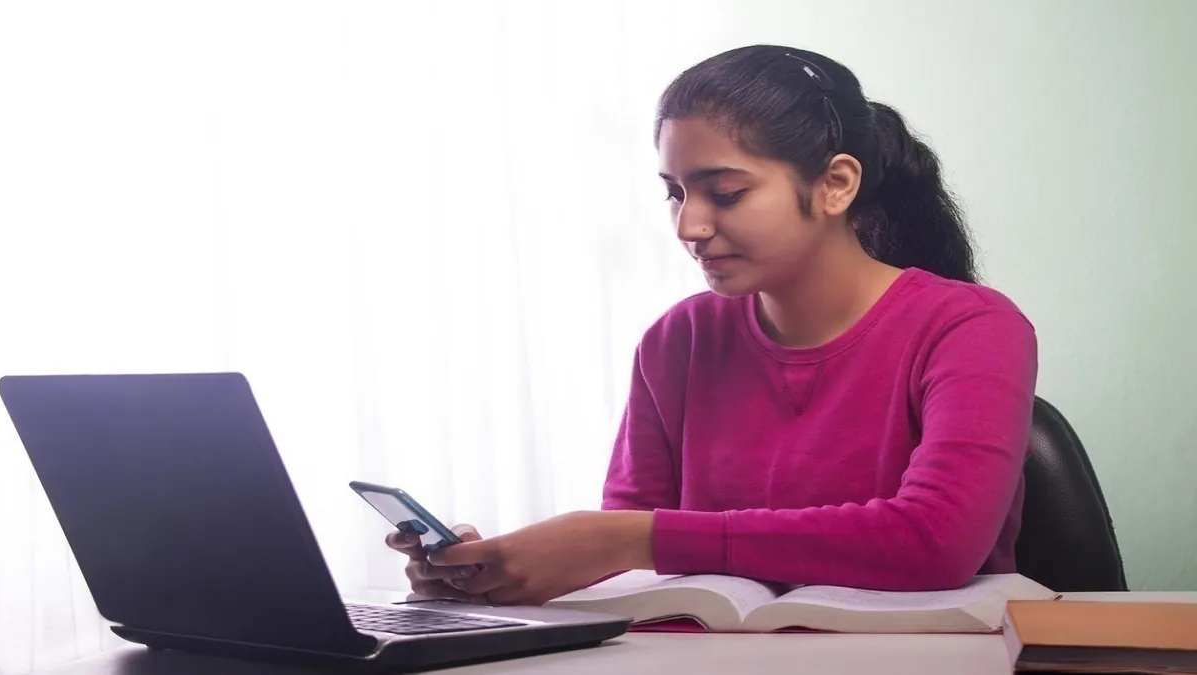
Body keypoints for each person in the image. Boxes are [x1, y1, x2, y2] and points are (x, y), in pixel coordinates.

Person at [387, 45, 1037, 605]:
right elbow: (626, 555)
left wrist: (627, 538)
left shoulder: (971, 328)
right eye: (674, 191)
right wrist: (497, 568)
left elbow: (936, 540)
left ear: (836, 185)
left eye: (725, 193)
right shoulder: (677, 342)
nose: (689, 226)